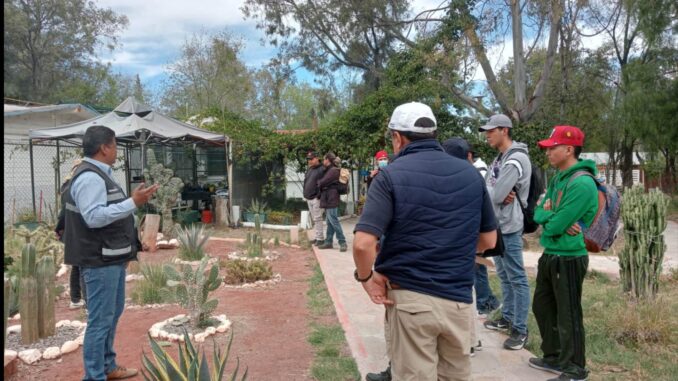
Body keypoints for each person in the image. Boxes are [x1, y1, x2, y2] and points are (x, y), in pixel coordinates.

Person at [353, 102, 497, 381]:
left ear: (397, 137)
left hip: (411, 301)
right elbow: (488, 239)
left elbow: (362, 244)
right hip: (458, 302)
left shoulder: (390, 176)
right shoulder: (470, 174)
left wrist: (366, 278)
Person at [63, 125, 159, 381]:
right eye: (115, 145)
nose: (116, 150)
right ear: (104, 147)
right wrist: (132, 202)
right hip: (98, 260)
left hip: (109, 258)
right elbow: (93, 217)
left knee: (111, 314)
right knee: (100, 320)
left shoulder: (99, 174)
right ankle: (94, 376)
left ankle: (107, 366)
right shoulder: (90, 177)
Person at [528, 126, 598, 381]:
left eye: (552, 147)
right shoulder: (559, 177)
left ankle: (575, 367)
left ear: (569, 149)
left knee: (568, 313)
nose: (547, 152)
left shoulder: (582, 183)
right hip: (552, 252)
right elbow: (538, 214)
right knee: (542, 306)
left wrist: (551, 216)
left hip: (569, 256)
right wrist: (549, 214)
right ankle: (555, 356)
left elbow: (555, 224)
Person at [480, 114, 532, 351]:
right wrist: (494, 190)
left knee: (517, 277)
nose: (487, 134)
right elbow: (491, 189)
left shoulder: (516, 159)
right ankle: (508, 316)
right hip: (498, 225)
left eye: (491, 130)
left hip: (509, 226)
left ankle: (520, 329)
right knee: (503, 274)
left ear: (504, 130)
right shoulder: (500, 158)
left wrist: (495, 191)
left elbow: (496, 194)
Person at [444, 138, 501, 315]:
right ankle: (484, 302)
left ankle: (484, 302)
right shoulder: (470, 173)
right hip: (469, 236)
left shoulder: (477, 172)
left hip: (470, 234)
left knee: (476, 271)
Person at [55, 159, 87, 309]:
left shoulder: (65, 186)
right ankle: (88, 303)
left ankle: (75, 299)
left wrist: (59, 228)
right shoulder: (76, 185)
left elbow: (63, 212)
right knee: (84, 266)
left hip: (69, 229)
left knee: (76, 264)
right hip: (79, 230)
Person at [316, 152, 348, 252]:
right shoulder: (329, 170)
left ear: (328, 160)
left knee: (333, 220)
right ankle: (328, 241)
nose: (323, 161)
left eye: (324, 159)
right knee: (329, 222)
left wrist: (319, 182)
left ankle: (342, 242)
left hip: (332, 197)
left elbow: (323, 182)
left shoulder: (333, 170)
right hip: (329, 197)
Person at [303, 151, 326, 246]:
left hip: (316, 198)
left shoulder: (322, 169)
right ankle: (317, 237)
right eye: (308, 159)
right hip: (309, 197)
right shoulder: (310, 169)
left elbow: (324, 184)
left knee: (318, 218)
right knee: (314, 219)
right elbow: (306, 181)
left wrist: (318, 196)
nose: (310, 161)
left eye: (311, 159)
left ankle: (320, 239)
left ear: (317, 158)